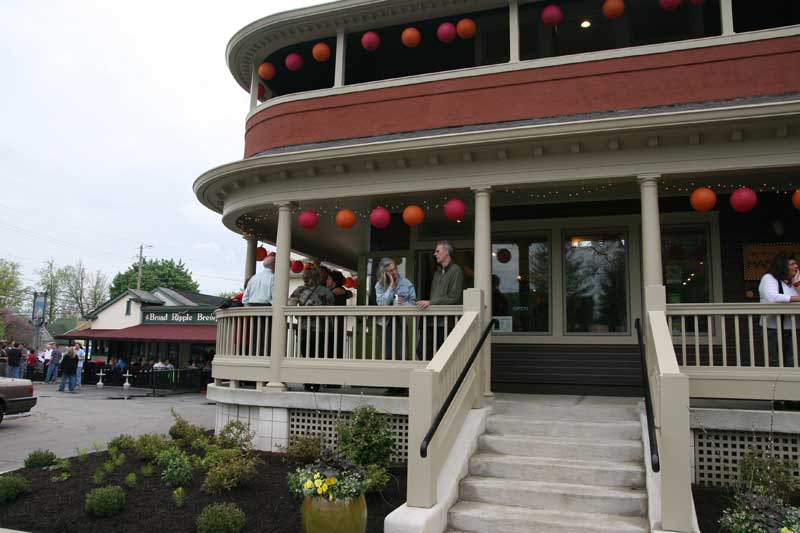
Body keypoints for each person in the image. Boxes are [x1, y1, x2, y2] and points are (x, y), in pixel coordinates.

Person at [416, 240, 464, 360]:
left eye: (438, 251)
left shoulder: (456, 270)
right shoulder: (437, 273)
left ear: (446, 252)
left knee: (443, 356)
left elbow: (454, 297)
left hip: (446, 323)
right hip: (431, 321)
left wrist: (430, 302)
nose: (435, 254)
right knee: (422, 352)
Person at [289, 268, 334, 391]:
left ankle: (308, 381)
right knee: (319, 355)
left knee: (306, 355)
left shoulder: (299, 290)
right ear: (318, 278)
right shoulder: (326, 291)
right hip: (322, 328)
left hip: (304, 327)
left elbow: (290, 305)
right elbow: (331, 308)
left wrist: (299, 315)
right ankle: (316, 381)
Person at [758, 253, 800, 368]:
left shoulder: (795, 281)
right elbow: (772, 298)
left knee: (793, 363)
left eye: (796, 263)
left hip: (794, 329)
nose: (796, 266)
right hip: (773, 330)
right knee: (774, 363)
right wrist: (797, 298)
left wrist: (797, 283)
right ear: (782, 266)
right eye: (792, 264)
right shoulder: (769, 278)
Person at [375, 257, 417, 359]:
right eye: (390, 271)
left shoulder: (406, 283)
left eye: (394, 269)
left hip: (401, 321)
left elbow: (413, 303)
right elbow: (381, 304)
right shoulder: (379, 285)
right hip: (385, 323)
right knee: (387, 354)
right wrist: (391, 287)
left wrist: (404, 304)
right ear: (384, 272)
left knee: (402, 353)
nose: (393, 272)